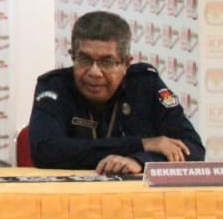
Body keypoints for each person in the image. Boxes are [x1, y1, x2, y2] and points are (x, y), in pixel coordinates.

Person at [28, 10, 203, 175]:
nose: (94, 72)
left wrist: (141, 161)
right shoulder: (54, 87)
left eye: (107, 62)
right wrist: (141, 144)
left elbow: (193, 150)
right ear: (72, 56)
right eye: (85, 59)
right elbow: (45, 151)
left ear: (127, 64)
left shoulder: (145, 84)